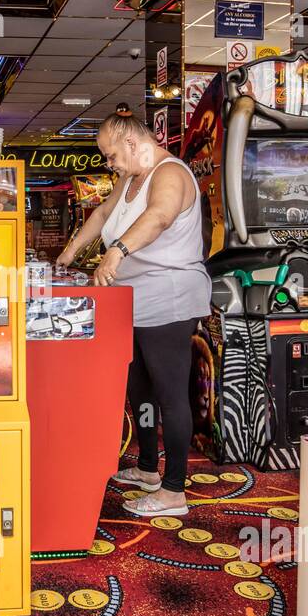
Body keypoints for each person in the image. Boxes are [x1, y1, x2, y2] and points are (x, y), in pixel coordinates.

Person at [57, 105, 212, 518]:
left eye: (111, 155)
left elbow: (158, 217)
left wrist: (116, 252)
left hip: (170, 298)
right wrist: (68, 256)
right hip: (133, 300)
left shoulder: (171, 173)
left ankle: (174, 490)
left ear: (131, 140)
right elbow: (104, 213)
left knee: (170, 394)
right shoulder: (130, 176)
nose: (109, 163)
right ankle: (147, 468)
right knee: (139, 389)